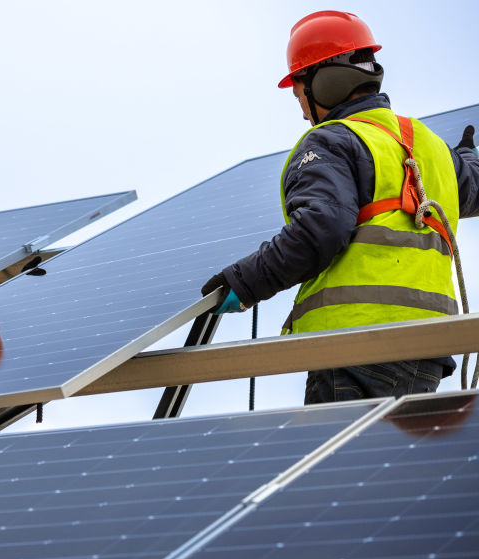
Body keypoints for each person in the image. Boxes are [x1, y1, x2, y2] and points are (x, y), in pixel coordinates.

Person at [201, 10, 479, 404]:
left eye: (300, 89)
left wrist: (246, 283)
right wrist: (468, 160)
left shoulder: (332, 142)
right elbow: (473, 188)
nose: (300, 106)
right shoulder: (430, 145)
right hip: (427, 350)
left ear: (327, 81)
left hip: (355, 344)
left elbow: (322, 227)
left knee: (339, 464)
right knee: (385, 465)